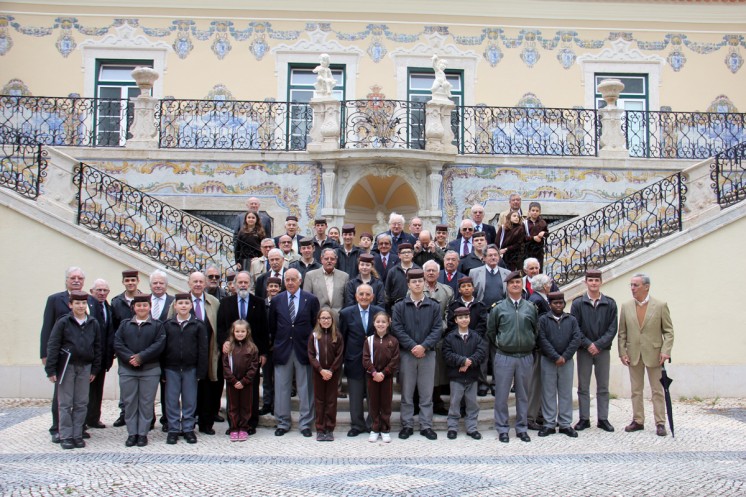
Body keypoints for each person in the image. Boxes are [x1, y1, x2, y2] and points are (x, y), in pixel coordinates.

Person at [41, 266, 98, 442]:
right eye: (72, 277)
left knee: (81, 401)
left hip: (85, 362)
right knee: (63, 400)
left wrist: (95, 366)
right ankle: (60, 430)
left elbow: (97, 341)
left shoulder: (92, 307)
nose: (76, 280)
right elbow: (48, 333)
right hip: (64, 361)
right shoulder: (55, 301)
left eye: (80, 278)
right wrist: (48, 360)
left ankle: (78, 430)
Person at [618, 273, 674, 437]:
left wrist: (666, 350)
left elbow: (669, 331)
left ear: (646, 286)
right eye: (631, 285)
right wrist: (622, 352)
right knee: (636, 390)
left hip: (655, 354)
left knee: (657, 390)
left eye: (636, 285)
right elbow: (622, 332)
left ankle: (660, 422)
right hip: (633, 353)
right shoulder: (626, 306)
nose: (632, 288)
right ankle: (638, 420)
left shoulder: (660, 305)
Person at [487, 270, 538, 443]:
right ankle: (502, 428)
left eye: (518, 282)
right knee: (501, 394)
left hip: (525, 356)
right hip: (504, 356)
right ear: (507, 286)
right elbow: (491, 331)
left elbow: (535, 330)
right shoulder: (499, 308)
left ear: (522, 286)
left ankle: (522, 427)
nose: (515, 285)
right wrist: (502, 343)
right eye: (512, 283)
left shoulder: (530, 308)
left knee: (523, 394)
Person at [391, 269, 442, 440]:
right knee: (407, 392)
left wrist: (424, 346)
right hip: (407, 354)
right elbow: (397, 328)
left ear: (425, 283)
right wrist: (413, 346)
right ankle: (407, 425)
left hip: (428, 354)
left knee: (426, 392)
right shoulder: (399, 306)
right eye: (414, 282)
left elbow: (437, 329)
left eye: (420, 281)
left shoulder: (434, 305)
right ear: (408, 284)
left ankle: (426, 425)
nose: (418, 284)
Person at [270, 268, 320, 437]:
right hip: (282, 349)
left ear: (300, 281)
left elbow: (315, 324)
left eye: (293, 279)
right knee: (282, 387)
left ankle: (305, 423)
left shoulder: (311, 299)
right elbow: (273, 325)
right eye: (287, 279)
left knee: (305, 388)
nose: (290, 283)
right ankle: (283, 422)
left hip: (303, 348)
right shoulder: (277, 300)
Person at [217, 271, 268, 436]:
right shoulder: (225, 302)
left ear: (250, 284)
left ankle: (250, 422)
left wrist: (264, 353)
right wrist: (224, 342)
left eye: (246, 282)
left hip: (251, 354)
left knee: (250, 391)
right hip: (231, 354)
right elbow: (221, 327)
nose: (243, 285)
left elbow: (263, 330)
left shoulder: (258, 302)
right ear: (234, 284)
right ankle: (233, 423)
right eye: (240, 282)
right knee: (232, 390)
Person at [114, 294, 166, 447]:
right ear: (133, 308)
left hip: (150, 369)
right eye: (138, 306)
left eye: (145, 305)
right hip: (127, 369)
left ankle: (142, 433)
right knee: (129, 402)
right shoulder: (124, 324)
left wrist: (141, 357)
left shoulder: (157, 325)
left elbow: (159, 344)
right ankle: (132, 433)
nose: (142, 308)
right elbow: (118, 343)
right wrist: (131, 358)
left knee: (146, 403)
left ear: (150, 307)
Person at [571, 269, 618, 433]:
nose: (593, 283)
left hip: (603, 350)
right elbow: (575, 327)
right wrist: (587, 344)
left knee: (603, 386)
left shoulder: (610, 303)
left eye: (596, 280)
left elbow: (613, 328)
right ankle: (584, 418)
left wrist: (598, 344)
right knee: (583, 386)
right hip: (584, 350)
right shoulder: (578, 303)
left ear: (601, 282)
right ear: (586, 282)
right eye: (590, 280)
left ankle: (603, 418)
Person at [161, 293, 208, 445]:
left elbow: (203, 349)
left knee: (189, 400)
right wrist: (162, 370)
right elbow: (162, 348)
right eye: (180, 303)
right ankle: (173, 429)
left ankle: (188, 428)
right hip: (171, 368)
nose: (183, 306)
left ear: (191, 306)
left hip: (190, 368)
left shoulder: (198, 325)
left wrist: (201, 370)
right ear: (175, 306)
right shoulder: (167, 325)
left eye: (186, 303)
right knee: (172, 400)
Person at [339, 284, 384, 436]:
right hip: (354, 360)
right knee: (356, 395)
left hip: (375, 361)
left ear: (372, 297)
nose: (364, 297)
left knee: (373, 395)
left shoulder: (379, 312)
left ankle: (373, 423)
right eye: (361, 294)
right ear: (356, 296)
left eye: (367, 294)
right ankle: (357, 425)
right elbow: (342, 338)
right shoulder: (346, 313)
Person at [537, 292, 582, 438]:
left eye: (561, 303)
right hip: (548, 360)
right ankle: (549, 423)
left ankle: (565, 423)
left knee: (565, 392)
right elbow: (542, 339)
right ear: (549, 304)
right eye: (555, 303)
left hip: (566, 361)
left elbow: (576, 338)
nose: (558, 305)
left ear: (564, 304)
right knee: (548, 392)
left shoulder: (571, 320)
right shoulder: (543, 320)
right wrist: (555, 356)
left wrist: (565, 356)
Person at [443, 307, 487, 440]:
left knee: (472, 403)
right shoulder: (450, 337)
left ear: (470, 318)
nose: (464, 320)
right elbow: (447, 354)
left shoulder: (475, 336)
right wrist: (462, 361)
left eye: (466, 317)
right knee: (455, 403)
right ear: (456, 320)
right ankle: (452, 427)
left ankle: (472, 427)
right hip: (456, 376)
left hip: (472, 376)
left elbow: (481, 352)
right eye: (461, 318)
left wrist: (470, 362)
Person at [363, 311, 400, 443]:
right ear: (373, 323)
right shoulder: (369, 340)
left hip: (387, 378)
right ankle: (375, 428)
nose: (380, 324)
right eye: (378, 321)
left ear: (388, 323)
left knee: (385, 403)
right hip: (372, 377)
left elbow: (395, 360)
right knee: (373, 403)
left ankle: (385, 428)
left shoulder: (393, 341)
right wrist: (374, 372)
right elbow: (366, 359)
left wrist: (384, 373)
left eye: (383, 322)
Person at [308, 308, 344, 441]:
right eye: (323, 318)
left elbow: (339, 355)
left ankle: (329, 428)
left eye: (328, 318)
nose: (326, 320)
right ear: (318, 320)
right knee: (319, 401)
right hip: (319, 373)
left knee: (331, 401)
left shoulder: (337, 336)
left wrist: (331, 370)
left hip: (333, 374)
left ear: (332, 320)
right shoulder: (314, 336)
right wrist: (320, 370)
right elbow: (311, 355)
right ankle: (320, 428)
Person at [223, 320, 260, 442]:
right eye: (237, 331)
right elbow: (225, 365)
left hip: (246, 383)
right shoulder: (229, 347)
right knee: (233, 406)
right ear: (233, 332)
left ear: (247, 332)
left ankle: (244, 427)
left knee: (245, 406)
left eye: (242, 331)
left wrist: (244, 381)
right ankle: (234, 428)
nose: (240, 334)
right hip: (232, 383)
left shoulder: (252, 348)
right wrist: (233, 380)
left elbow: (254, 366)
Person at [86, 278, 114, 430]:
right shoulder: (88, 306)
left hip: (102, 357)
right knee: (87, 391)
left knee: (98, 390)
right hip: (90, 357)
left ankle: (94, 418)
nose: (102, 293)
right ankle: (83, 420)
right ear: (92, 291)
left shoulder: (107, 307)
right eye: (99, 290)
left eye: (105, 290)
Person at [303, 248, 349, 316]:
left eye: (332, 259)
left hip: (338, 319)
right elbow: (306, 300)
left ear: (336, 260)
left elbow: (347, 301)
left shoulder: (344, 276)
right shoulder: (310, 276)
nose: (329, 261)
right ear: (321, 259)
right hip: (318, 319)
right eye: (326, 259)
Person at [384, 243, 419, 313]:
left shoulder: (418, 270)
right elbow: (387, 293)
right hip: (396, 308)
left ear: (412, 254)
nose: (406, 254)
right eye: (404, 252)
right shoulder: (392, 271)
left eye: (409, 252)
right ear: (399, 255)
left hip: (415, 308)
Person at [523, 202, 548, 271]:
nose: (535, 212)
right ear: (529, 211)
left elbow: (547, 233)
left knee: (538, 269)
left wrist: (544, 233)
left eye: (537, 211)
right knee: (528, 269)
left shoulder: (542, 222)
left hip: (539, 250)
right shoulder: (525, 223)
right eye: (533, 210)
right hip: (528, 250)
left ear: (540, 212)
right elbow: (522, 237)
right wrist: (533, 238)